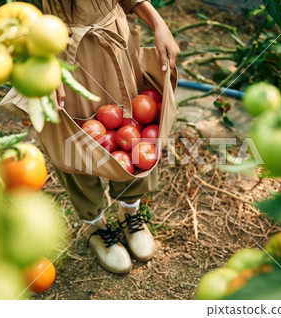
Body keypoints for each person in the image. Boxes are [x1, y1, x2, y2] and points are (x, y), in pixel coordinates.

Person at [42, 0, 180, 274]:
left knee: (136, 131)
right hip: (57, 54)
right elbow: (16, 14)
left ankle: (130, 209)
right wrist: (41, 64)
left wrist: (158, 24)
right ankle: (94, 226)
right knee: (73, 145)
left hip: (114, 43)